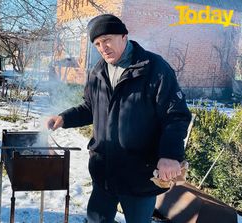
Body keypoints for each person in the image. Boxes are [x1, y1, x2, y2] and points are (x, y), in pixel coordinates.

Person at [46, 14, 191, 223]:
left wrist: (170, 155)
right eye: (97, 44)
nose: (103, 48)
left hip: (139, 174)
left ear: (124, 36)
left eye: (107, 40)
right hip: (104, 171)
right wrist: (64, 118)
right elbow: (90, 107)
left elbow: (175, 115)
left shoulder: (154, 68)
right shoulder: (97, 72)